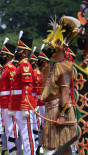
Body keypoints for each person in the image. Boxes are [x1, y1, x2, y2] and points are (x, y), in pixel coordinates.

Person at [41, 16, 78, 154]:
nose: (50, 47)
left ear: (61, 48)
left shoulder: (65, 68)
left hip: (59, 111)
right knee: (59, 148)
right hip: (51, 110)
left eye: (52, 45)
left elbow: (65, 94)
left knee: (64, 147)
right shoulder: (52, 66)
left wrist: (63, 115)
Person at [10, 35, 36, 155]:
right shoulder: (20, 65)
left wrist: (25, 105)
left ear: (25, 53)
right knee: (22, 133)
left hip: (24, 104)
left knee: (27, 135)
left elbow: (27, 86)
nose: (17, 52)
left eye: (19, 50)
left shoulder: (25, 65)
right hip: (18, 104)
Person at [0, 42, 17, 154]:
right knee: (8, 128)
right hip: (4, 102)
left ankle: (13, 151)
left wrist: (10, 105)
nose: (1, 57)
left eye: (3, 55)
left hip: (8, 103)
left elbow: (12, 88)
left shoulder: (11, 68)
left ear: (9, 56)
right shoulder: (5, 68)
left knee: (11, 129)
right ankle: (11, 150)